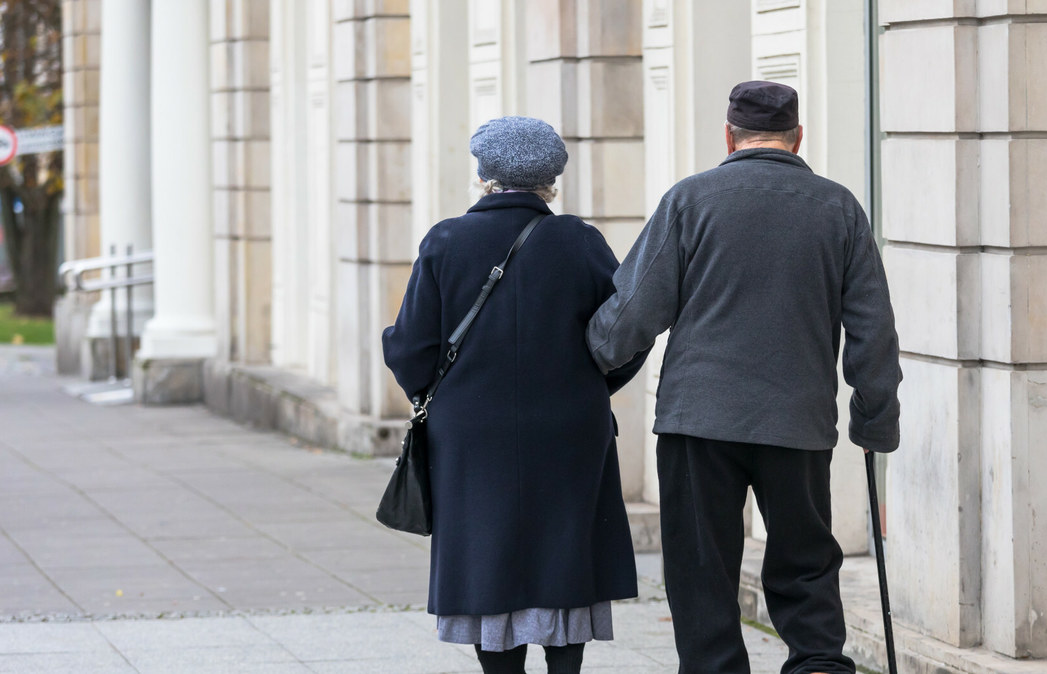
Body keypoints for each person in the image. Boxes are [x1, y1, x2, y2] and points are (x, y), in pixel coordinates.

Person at [586, 81, 903, 674]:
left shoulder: (690, 200)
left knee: (700, 567)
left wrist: (589, 359)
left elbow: (630, 316)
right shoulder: (838, 208)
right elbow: (873, 330)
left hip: (697, 421)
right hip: (799, 421)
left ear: (729, 137)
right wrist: (875, 421)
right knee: (806, 562)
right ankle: (818, 666)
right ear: (797, 137)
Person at [382, 116, 646, 674]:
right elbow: (628, 332)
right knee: (566, 555)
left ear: (485, 175)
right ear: (551, 178)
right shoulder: (581, 241)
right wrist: (592, 386)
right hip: (570, 426)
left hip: (471, 432)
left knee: (486, 555)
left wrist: (436, 391)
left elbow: (409, 348)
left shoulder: (447, 240)